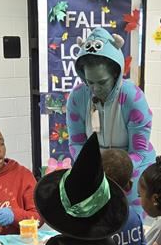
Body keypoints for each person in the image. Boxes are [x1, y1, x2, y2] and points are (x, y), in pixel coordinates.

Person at [66, 27, 155, 214]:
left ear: (116, 73)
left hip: (133, 169)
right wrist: (91, 169)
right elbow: (76, 142)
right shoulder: (77, 97)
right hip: (97, 168)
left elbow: (138, 151)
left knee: (128, 221)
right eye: (89, 82)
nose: (95, 89)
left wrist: (114, 174)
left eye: (102, 82)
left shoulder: (133, 97)